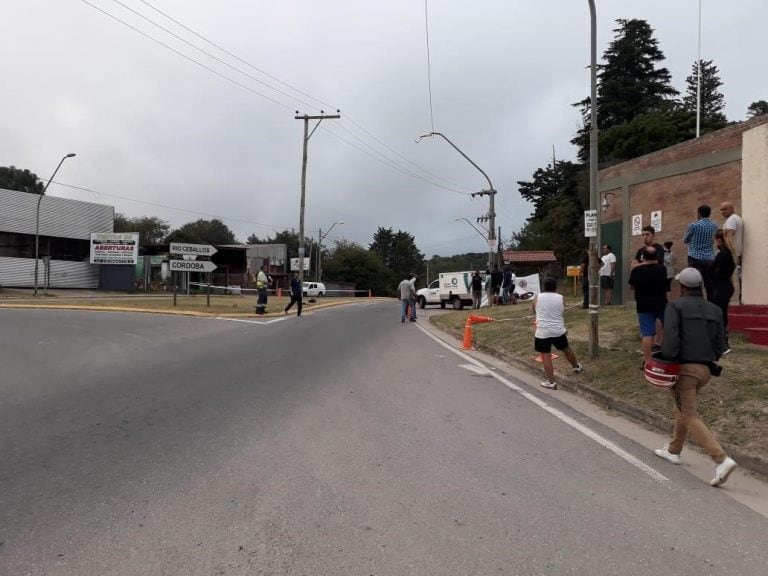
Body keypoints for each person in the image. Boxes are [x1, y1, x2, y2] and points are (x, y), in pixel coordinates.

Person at [654, 267, 737, 487]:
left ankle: (721, 459)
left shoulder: (675, 306)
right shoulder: (714, 310)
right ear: (699, 286)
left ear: (682, 287)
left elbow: (670, 340)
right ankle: (674, 450)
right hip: (706, 370)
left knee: (689, 413)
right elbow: (721, 344)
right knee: (682, 408)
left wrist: (667, 359)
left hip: (684, 370)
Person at [533, 277, 583, 390]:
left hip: (543, 331)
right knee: (566, 349)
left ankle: (551, 382)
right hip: (558, 330)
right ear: (555, 287)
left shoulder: (538, 297)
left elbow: (534, 310)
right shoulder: (561, 298)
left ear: (543, 287)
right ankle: (576, 366)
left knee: (546, 356)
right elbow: (561, 311)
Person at [628, 246, 668, 368]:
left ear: (643, 257)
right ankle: (667, 355)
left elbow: (631, 287)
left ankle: (648, 361)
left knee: (647, 334)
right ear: (656, 256)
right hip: (661, 304)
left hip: (644, 305)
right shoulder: (662, 269)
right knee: (667, 328)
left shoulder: (636, 271)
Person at [684, 204, 717, 300]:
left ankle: (698, 303)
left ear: (699, 214)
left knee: (695, 282)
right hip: (710, 257)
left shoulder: (693, 225)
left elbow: (685, 240)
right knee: (709, 283)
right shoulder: (714, 226)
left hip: (695, 256)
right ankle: (711, 303)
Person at [711, 229, 736, 353]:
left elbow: (712, 270)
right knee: (723, 313)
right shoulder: (730, 254)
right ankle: (724, 341)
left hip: (721, 288)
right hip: (727, 286)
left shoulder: (721, 255)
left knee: (719, 315)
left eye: (716, 240)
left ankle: (721, 343)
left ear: (719, 240)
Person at [719, 201, 743, 304]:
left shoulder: (731, 220)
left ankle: (727, 301)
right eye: (721, 210)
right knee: (740, 277)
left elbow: (729, 236)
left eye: (725, 209)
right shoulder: (736, 218)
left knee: (727, 279)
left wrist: (725, 252)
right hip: (737, 253)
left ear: (732, 209)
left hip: (731, 255)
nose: (722, 212)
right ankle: (741, 299)